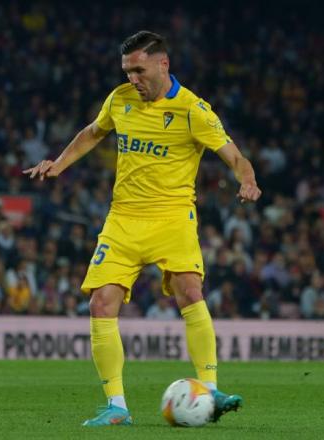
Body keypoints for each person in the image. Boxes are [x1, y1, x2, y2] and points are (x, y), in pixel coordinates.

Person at [24, 31, 261, 426]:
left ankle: (211, 389)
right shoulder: (120, 99)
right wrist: (59, 163)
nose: (132, 77)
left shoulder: (193, 110)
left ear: (162, 64)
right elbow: (93, 132)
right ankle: (117, 406)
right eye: (127, 70)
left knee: (189, 291)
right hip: (123, 219)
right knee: (100, 303)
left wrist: (247, 180)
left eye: (138, 69)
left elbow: (235, 156)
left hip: (173, 217)